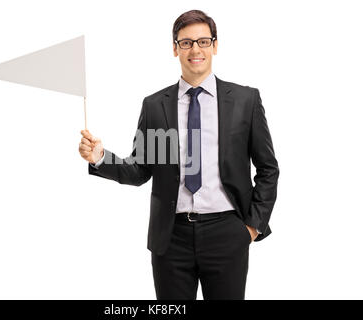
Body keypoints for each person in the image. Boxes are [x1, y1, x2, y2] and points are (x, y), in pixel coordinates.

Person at [78, 9, 279, 300]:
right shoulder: (155, 105)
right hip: (171, 238)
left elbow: (268, 168)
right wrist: (100, 157)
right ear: (175, 48)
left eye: (203, 41)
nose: (195, 49)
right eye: (186, 42)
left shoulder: (245, 101)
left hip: (227, 232)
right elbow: (140, 170)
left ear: (215, 46)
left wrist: (251, 227)